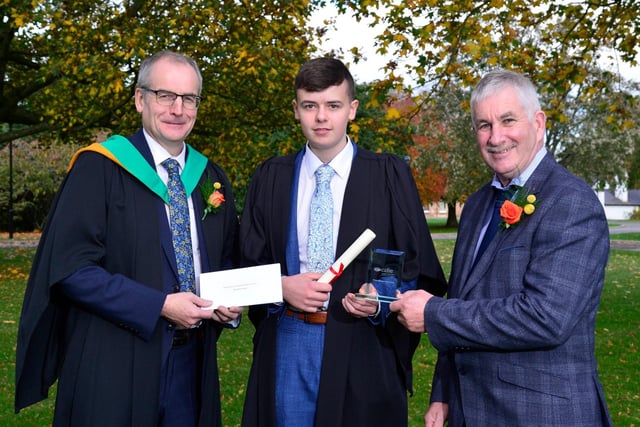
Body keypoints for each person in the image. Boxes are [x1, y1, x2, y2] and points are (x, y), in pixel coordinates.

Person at [15, 51, 242, 427]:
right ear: (140, 99)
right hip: (113, 361)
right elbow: (71, 268)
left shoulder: (209, 178)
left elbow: (227, 259)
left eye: (189, 98)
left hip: (192, 365)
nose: (178, 109)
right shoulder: (99, 168)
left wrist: (230, 304)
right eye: (164, 95)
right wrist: (158, 305)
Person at [390, 69, 613, 426]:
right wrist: (444, 392)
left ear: (538, 123)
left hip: (542, 414)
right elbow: (465, 298)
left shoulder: (571, 202)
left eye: (508, 120)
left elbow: (546, 318)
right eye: (483, 125)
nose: (496, 137)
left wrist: (433, 314)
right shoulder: (478, 204)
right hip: (470, 409)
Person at [239, 57, 447, 427]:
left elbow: (414, 266)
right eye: (310, 106)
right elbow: (246, 266)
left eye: (333, 105)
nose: (321, 117)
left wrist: (380, 297)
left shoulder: (387, 175)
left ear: (351, 109)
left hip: (362, 344)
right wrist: (281, 286)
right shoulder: (271, 177)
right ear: (296, 109)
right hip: (289, 341)